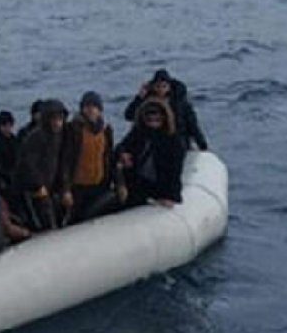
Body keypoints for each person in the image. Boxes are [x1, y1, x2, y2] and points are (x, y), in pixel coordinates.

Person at [115, 99, 187, 208]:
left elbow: (175, 170)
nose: (153, 119)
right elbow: (120, 147)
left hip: (160, 189)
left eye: (157, 116)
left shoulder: (173, 141)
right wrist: (123, 154)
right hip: (136, 186)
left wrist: (171, 196)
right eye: (149, 116)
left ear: (165, 117)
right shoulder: (137, 134)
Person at [60, 91, 116, 224]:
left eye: (94, 107)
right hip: (78, 186)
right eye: (87, 107)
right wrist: (66, 190)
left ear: (100, 110)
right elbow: (65, 161)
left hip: (99, 183)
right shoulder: (73, 129)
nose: (90, 110)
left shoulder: (106, 130)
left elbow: (109, 157)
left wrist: (118, 182)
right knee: (76, 219)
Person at [15, 99, 69, 232]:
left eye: (60, 119)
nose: (57, 123)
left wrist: (64, 187)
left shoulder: (60, 136)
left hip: (50, 185)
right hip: (32, 189)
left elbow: (61, 162)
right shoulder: (35, 138)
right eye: (54, 119)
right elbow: (28, 165)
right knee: (43, 221)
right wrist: (39, 185)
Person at [122, 69, 209, 151]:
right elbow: (129, 115)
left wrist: (203, 145)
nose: (161, 90)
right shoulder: (147, 102)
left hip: (177, 140)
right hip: (153, 139)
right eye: (158, 86)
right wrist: (139, 97)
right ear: (153, 87)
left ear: (169, 87)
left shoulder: (180, 103)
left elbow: (193, 126)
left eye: (164, 86)